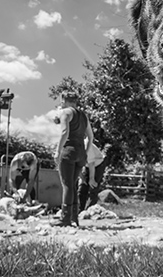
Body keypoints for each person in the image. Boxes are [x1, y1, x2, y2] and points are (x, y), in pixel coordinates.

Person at [51, 92, 94, 227]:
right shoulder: (83, 116)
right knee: (73, 185)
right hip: (80, 153)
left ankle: (65, 218)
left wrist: (58, 151)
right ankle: (74, 217)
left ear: (63, 100)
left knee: (67, 185)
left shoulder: (66, 113)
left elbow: (65, 132)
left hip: (68, 151)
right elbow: (91, 137)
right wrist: (85, 152)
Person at [78, 143, 111, 211]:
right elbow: (76, 166)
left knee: (93, 187)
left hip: (98, 164)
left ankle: (90, 210)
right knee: (82, 188)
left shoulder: (87, 145)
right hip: (87, 165)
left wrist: (91, 179)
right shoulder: (70, 149)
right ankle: (80, 210)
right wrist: (82, 178)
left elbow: (92, 163)